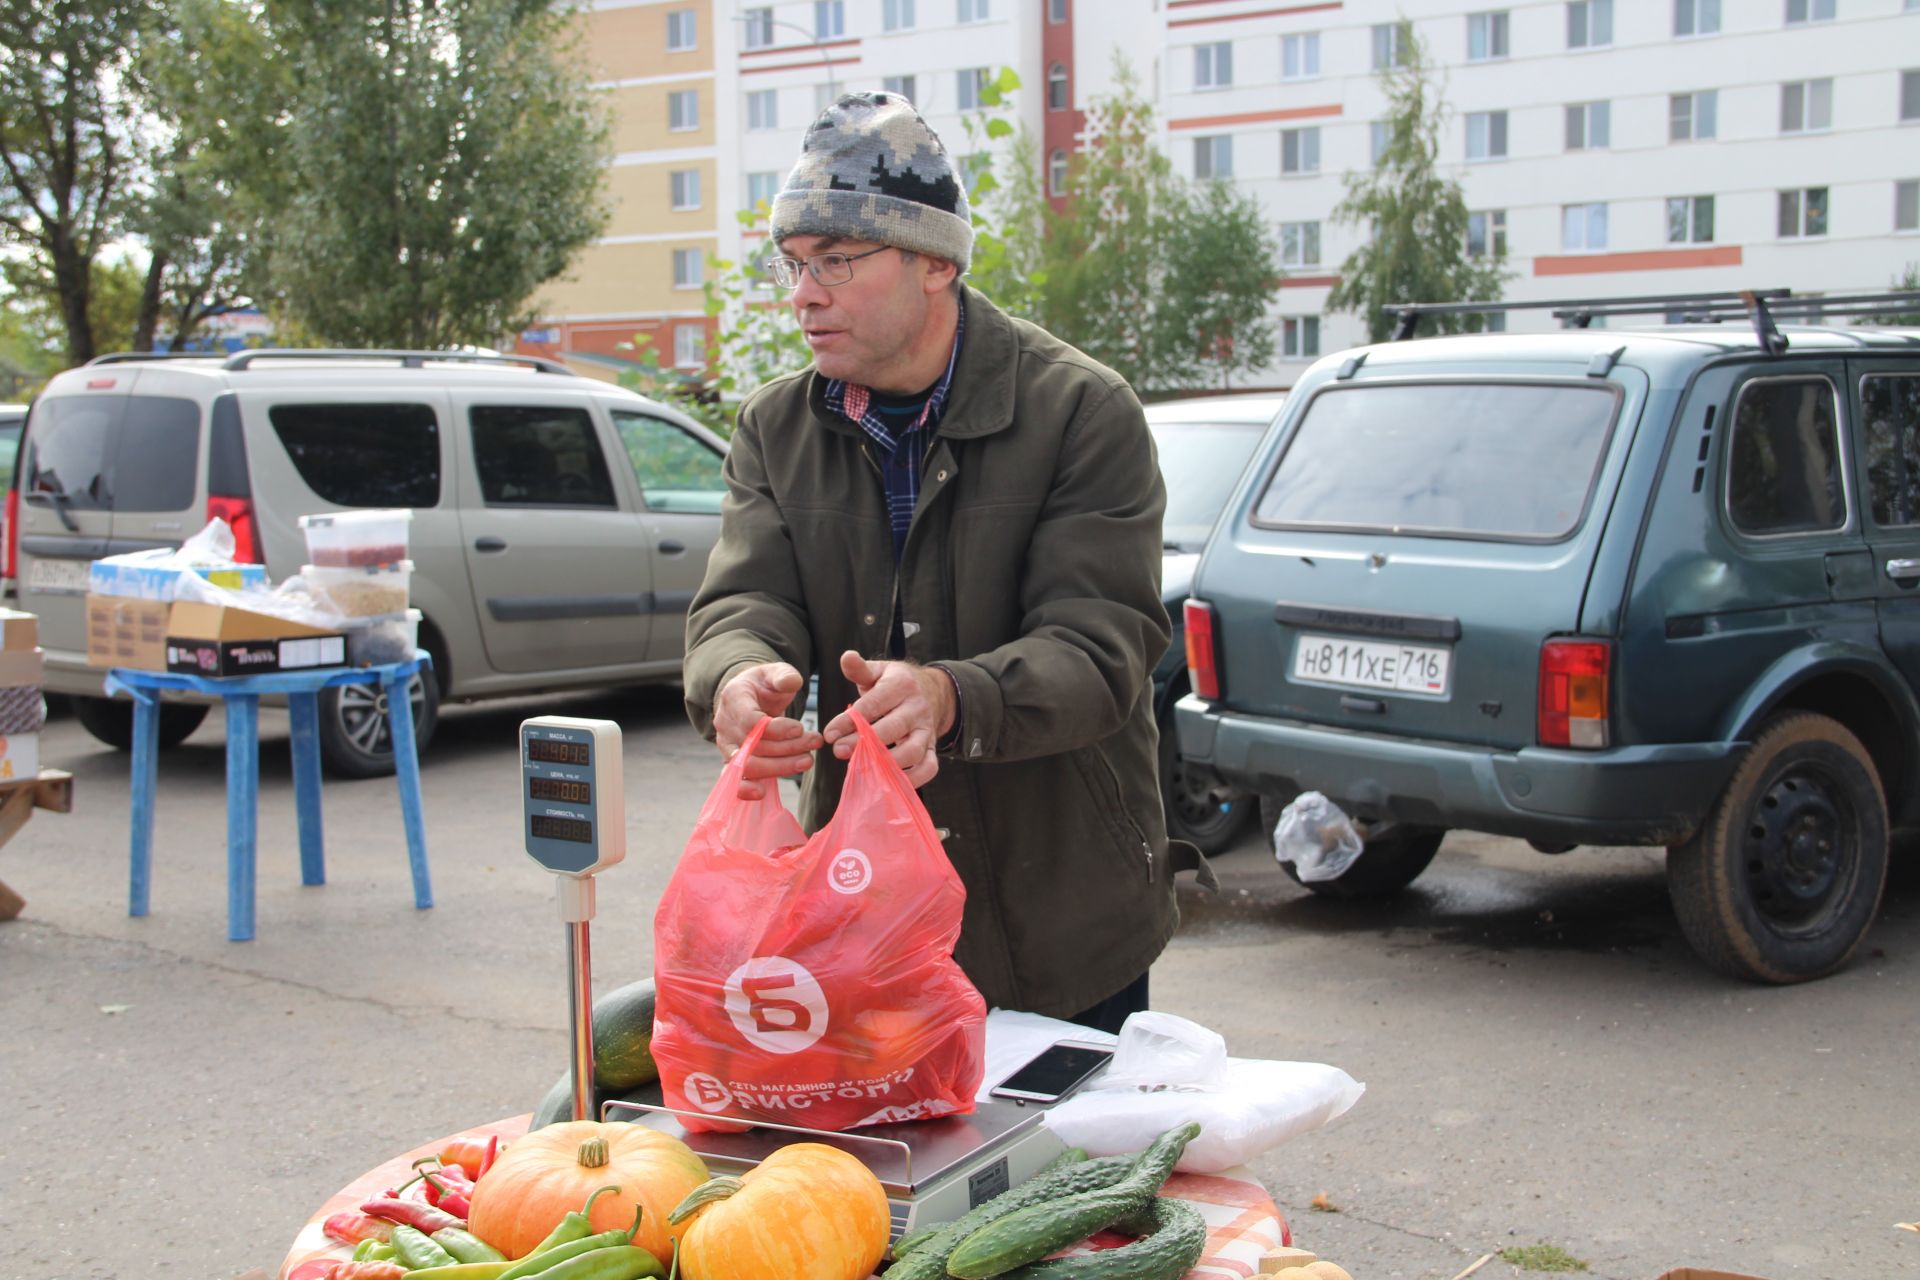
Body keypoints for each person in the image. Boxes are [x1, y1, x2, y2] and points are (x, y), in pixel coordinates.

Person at [682, 91, 1210, 1034]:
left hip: (1066, 911)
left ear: (935, 263)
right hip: (862, 905)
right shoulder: (775, 426)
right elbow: (747, 596)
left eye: (837, 262)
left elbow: (1103, 646)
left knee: (1069, 1175)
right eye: (794, 265)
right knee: (886, 1173)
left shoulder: (1082, 413)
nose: (804, 293)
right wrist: (736, 674)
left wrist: (952, 697)